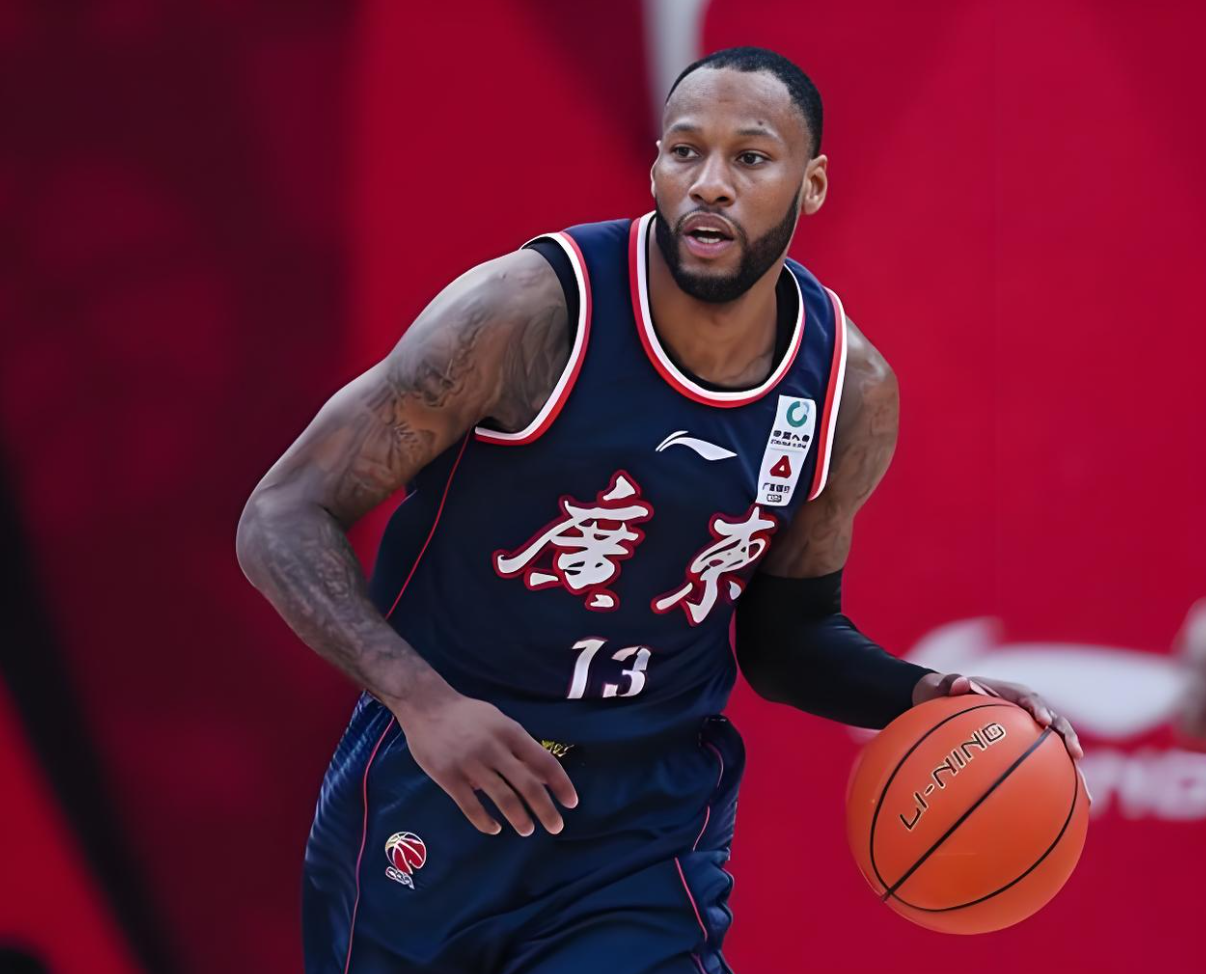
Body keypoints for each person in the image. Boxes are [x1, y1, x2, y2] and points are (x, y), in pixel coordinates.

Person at [236, 46, 1084, 974]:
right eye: (686, 151)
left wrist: (919, 693)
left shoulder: (847, 391)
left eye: (750, 157)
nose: (710, 183)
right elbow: (284, 511)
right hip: (441, 781)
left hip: (640, 830)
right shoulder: (529, 314)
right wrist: (421, 700)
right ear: (656, 168)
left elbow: (786, 637)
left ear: (811, 185)